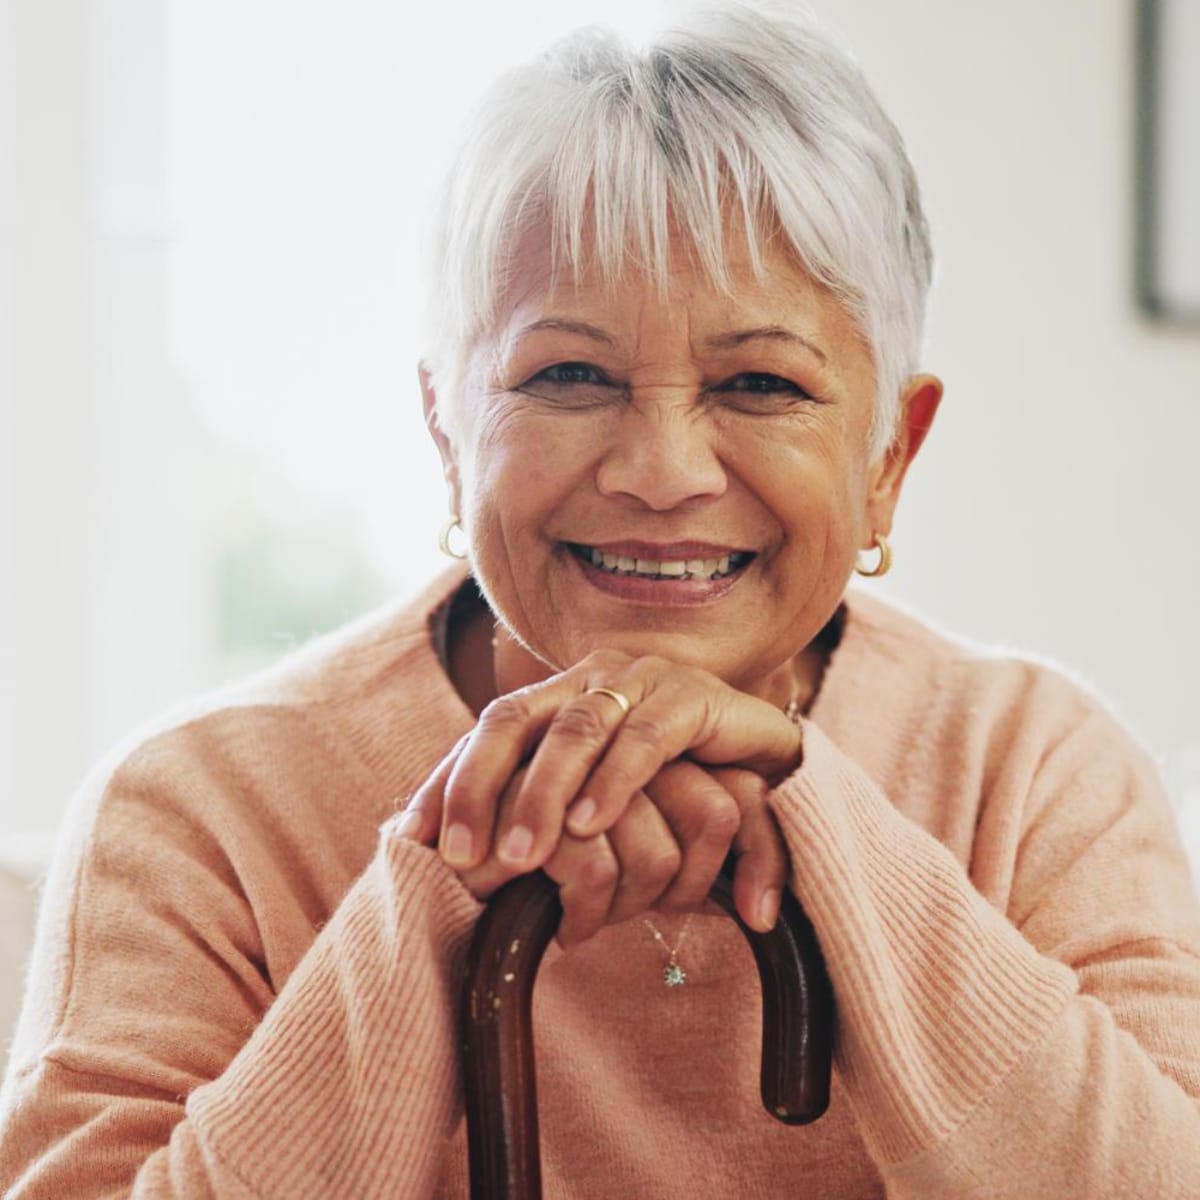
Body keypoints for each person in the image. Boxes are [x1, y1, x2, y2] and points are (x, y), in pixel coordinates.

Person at [3, 4, 1199, 1197]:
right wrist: (440, 888)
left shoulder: (1035, 773)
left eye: (761, 382)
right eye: (569, 374)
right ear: (447, 429)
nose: (663, 471)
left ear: (890, 455)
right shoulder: (200, 810)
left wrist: (831, 826)